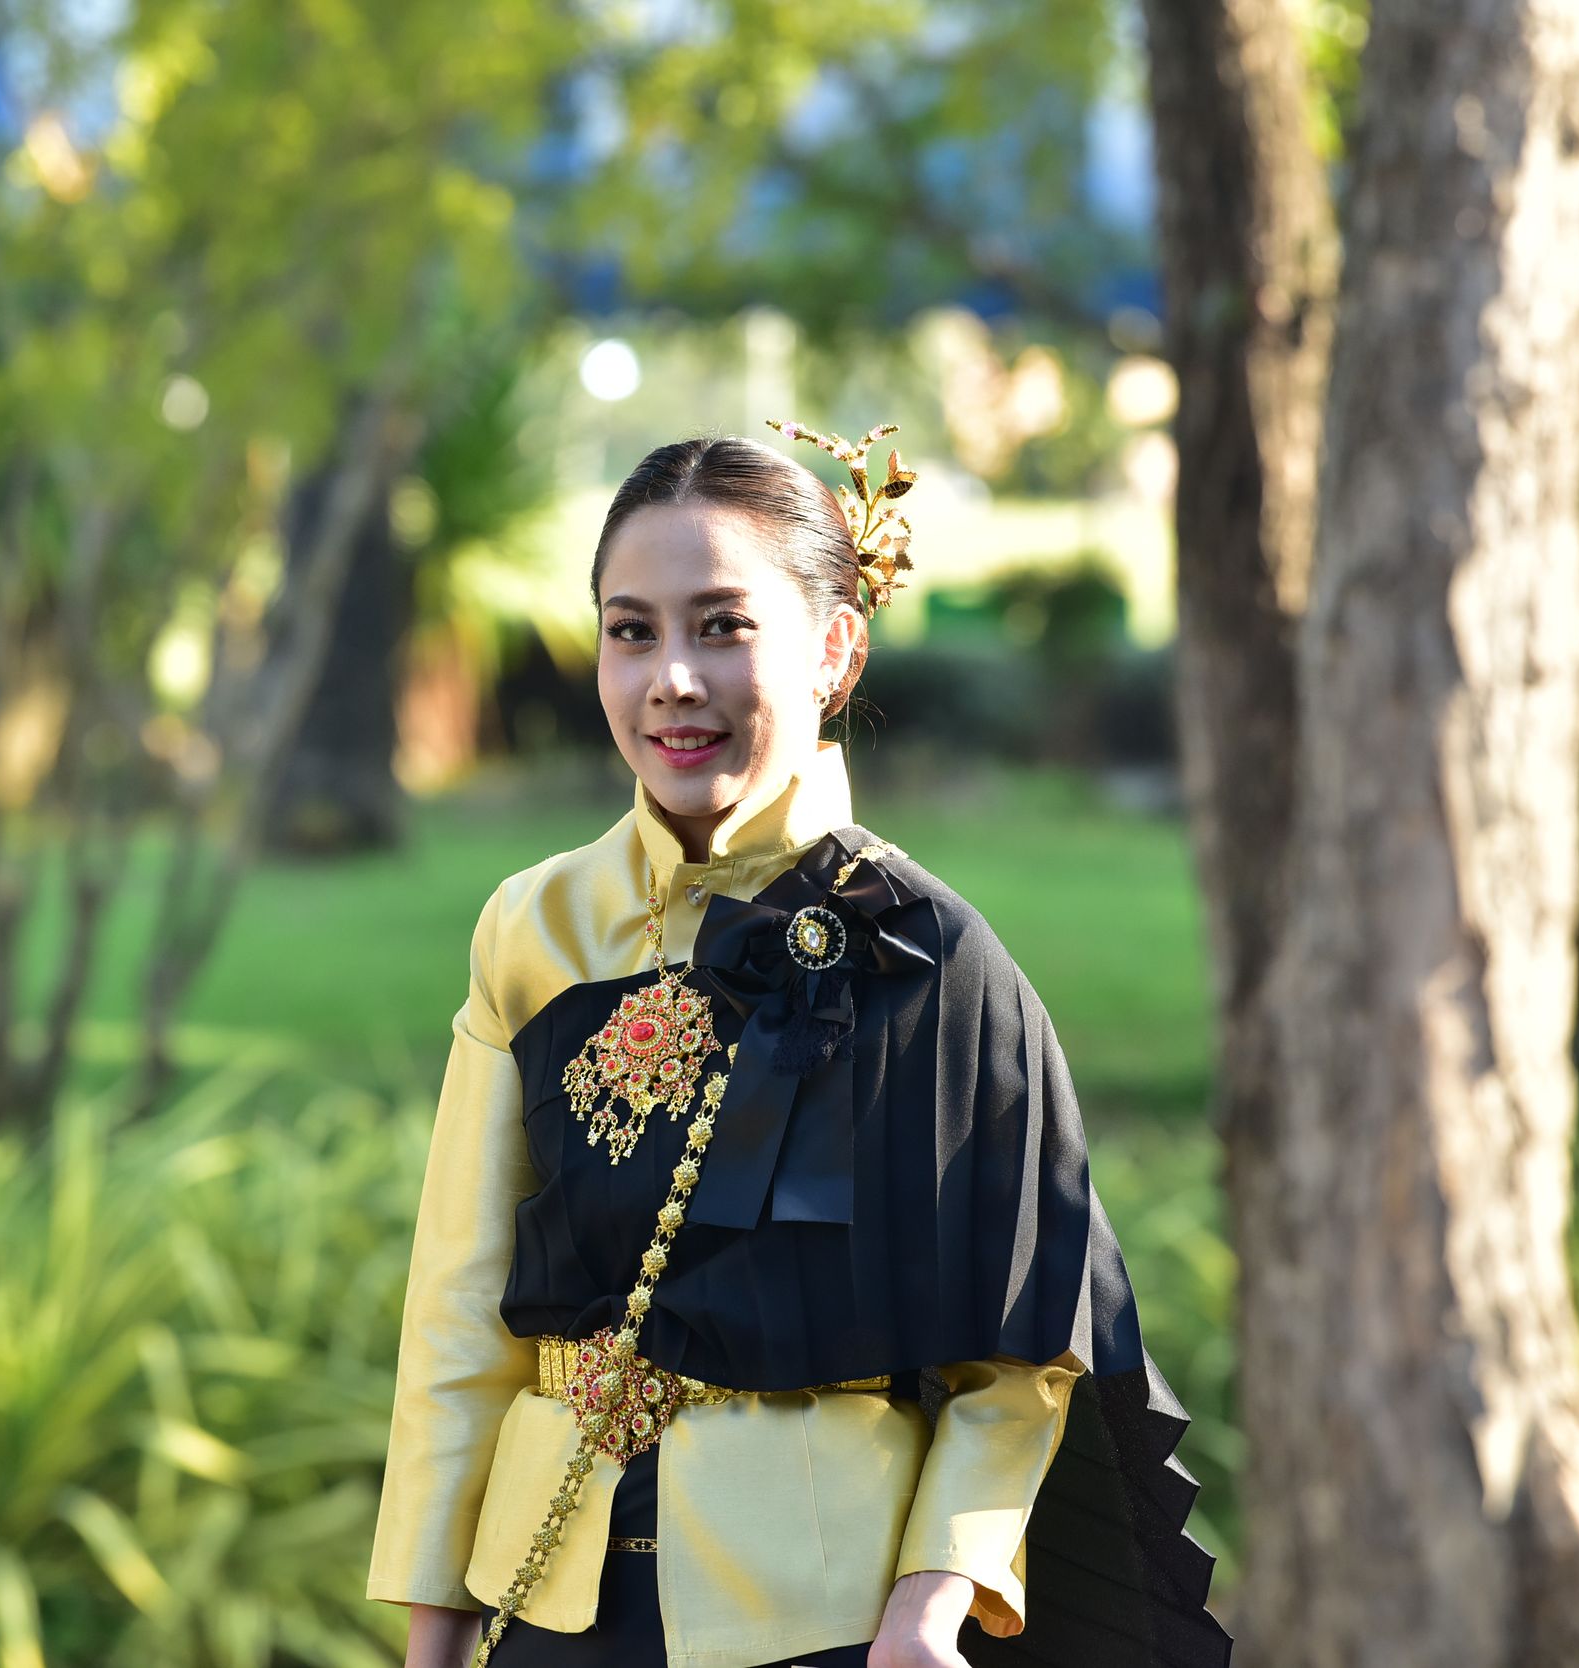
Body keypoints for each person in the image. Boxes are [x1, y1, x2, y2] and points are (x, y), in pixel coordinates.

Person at [367, 422, 1232, 1668]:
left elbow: (1017, 1354)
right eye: (631, 631)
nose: (673, 679)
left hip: (821, 1618)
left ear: (834, 649)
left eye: (722, 626)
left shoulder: (929, 955)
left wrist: (929, 1605)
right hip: (543, 1604)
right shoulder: (532, 930)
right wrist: (433, 1634)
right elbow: (459, 1318)